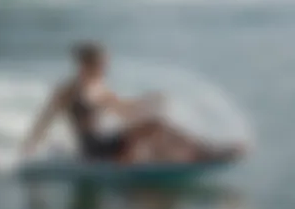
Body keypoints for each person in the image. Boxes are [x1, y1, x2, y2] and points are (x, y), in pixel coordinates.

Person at [20, 42, 246, 163]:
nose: (105, 68)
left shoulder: (99, 87)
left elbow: (125, 112)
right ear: (84, 65)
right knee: (155, 125)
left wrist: (150, 99)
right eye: (100, 64)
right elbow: (45, 119)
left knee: (157, 126)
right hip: (93, 149)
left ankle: (193, 153)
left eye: (105, 64)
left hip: (107, 142)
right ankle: (207, 152)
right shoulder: (67, 90)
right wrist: (29, 149)